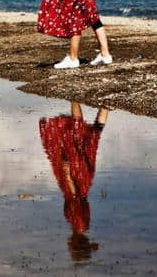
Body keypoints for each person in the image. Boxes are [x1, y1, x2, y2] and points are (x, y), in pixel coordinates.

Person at [39, 102, 109, 261]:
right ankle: (75, 100)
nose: (67, 245)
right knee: (76, 137)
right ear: (75, 244)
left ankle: (106, 105)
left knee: (92, 139)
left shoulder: (83, 226)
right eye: (71, 248)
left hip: (83, 182)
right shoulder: (79, 224)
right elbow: (75, 198)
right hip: (76, 179)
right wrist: (68, 174)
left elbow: (79, 199)